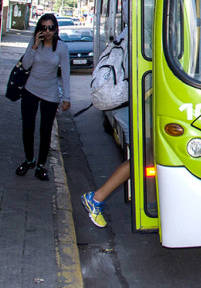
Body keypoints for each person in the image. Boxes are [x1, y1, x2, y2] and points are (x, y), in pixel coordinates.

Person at [81, 23, 129, 228]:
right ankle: (96, 198)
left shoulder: (127, 33)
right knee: (142, 157)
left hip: (122, 103)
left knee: (144, 155)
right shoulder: (142, 32)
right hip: (126, 105)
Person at [15, 13, 71, 181]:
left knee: (45, 130)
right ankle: (29, 160)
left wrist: (67, 98)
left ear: (56, 29)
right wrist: (33, 46)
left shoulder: (62, 47)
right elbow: (26, 65)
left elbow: (66, 74)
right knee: (28, 127)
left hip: (50, 92)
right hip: (31, 89)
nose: (47, 32)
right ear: (39, 29)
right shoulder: (34, 43)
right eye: (44, 28)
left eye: (51, 28)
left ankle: (41, 165)